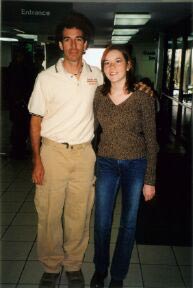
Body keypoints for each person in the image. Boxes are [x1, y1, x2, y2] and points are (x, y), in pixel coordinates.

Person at [28, 12, 103, 288]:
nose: (73, 45)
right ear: (60, 45)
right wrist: (37, 161)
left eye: (79, 40)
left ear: (86, 45)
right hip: (53, 152)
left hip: (84, 154)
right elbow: (35, 121)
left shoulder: (98, 76)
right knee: (48, 213)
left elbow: (119, 96)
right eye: (67, 40)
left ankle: (72, 265)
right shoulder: (46, 78)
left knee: (79, 213)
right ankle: (50, 265)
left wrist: (143, 88)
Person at [90, 45, 158, 288]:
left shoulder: (143, 97)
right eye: (107, 62)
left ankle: (117, 275)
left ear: (128, 65)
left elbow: (151, 140)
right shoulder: (99, 94)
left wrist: (150, 179)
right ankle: (100, 269)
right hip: (106, 163)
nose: (112, 67)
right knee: (101, 222)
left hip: (136, 165)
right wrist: (93, 170)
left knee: (128, 223)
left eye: (117, 61)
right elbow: (93, 133)